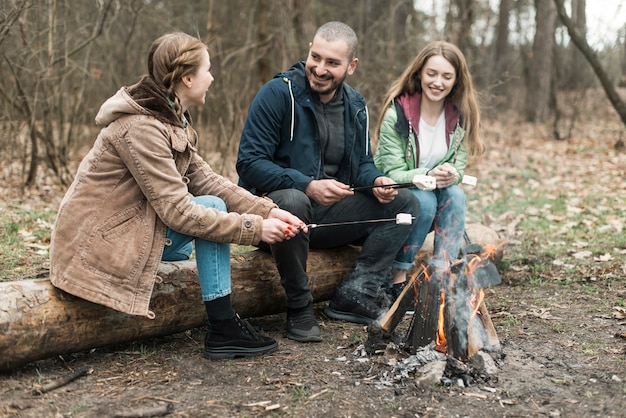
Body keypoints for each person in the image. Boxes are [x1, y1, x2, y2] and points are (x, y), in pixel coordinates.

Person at [49, 32, 307, 361]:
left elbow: (208, 180)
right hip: (97, 245)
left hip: (132, 230)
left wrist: (269, 211)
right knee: (209, 211)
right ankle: (223, 327)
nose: (212, 78)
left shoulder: (172, 119)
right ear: (187, 78)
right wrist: (254, 228)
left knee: (212, 203)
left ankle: (224, 324)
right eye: (207, 70)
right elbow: (178, 211)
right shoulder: (142, 128)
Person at [236, 21, 421, 339]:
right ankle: (299, 307)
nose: (320, 69)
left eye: (332, 63)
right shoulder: (278, 94)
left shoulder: (355, 104)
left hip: (328, 218)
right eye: (316, 57)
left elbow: (362, 164)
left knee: (406, 204)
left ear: (351, 66)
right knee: (295, 200)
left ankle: (357, 293)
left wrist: (376, 180)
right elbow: (249, 163)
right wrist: (306, 184)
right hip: (274, 217)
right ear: (309, 50)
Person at [373, 41, 485, 295]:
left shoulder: (460, 116)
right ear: (420, 73)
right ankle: (396, 278)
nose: (438, 82)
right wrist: (426, 176)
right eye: (432, 73)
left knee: (456, 195)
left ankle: (443, 276)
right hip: (393, 197)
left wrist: (452, 174)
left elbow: (458, 164)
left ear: (456, 81)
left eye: (447, 76)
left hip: (433, 193)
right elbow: (392, 174)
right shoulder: (398, 114)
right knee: (423, 199)